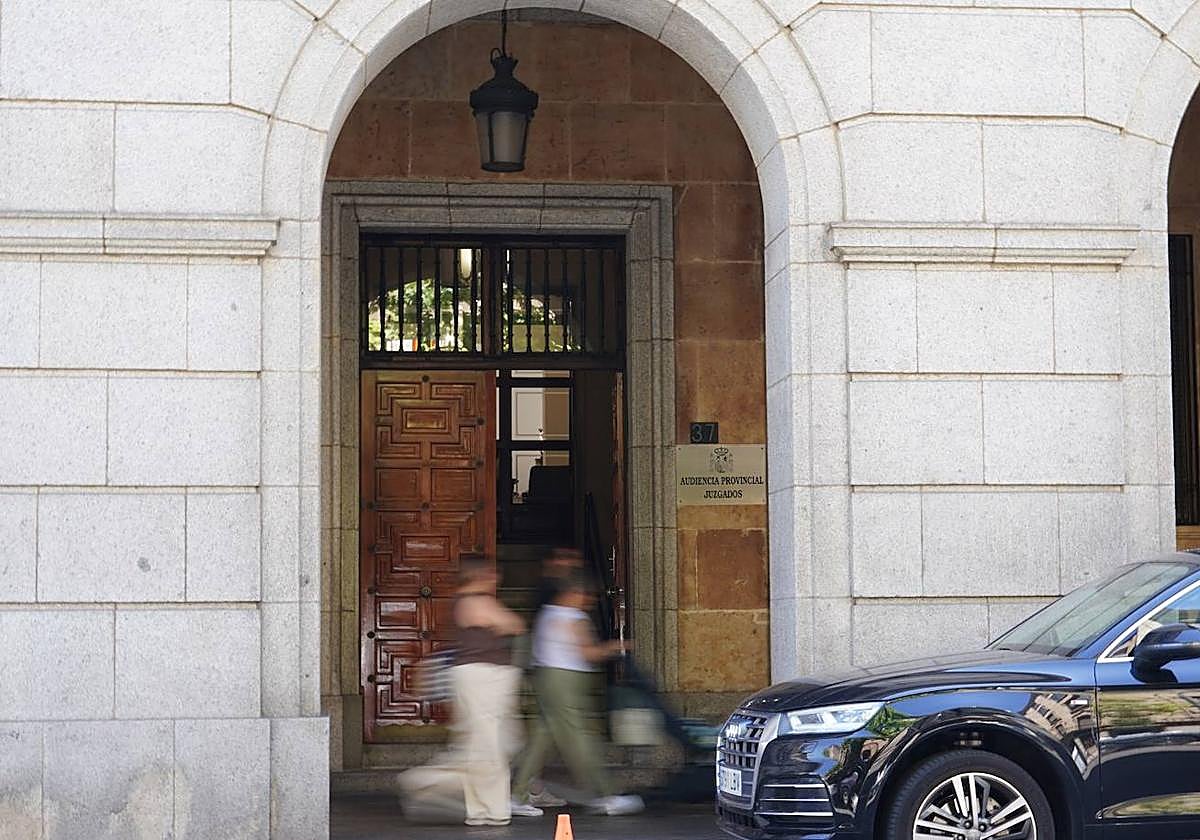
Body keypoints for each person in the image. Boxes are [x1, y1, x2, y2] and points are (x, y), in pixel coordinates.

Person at [511, 570, 645, 816]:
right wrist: (618, 646)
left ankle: (517, 794)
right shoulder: (574, 617)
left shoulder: (547, 613)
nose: (589, 601)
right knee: (580, 739)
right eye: (587, 596)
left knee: (542, 739)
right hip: (566, 684)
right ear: (575, 593)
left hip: (546, 678)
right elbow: (588, 653)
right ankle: (606, 794)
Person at [450, 554, 542, 826]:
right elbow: (514, 624)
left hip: (478, 677)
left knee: (483, 742)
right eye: (492, 573)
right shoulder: (477, 600)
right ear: (479, 574)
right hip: (483, 677)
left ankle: (479, 810)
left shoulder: (465, 600)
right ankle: (494, 809)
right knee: (489, 744)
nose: (496, 578)